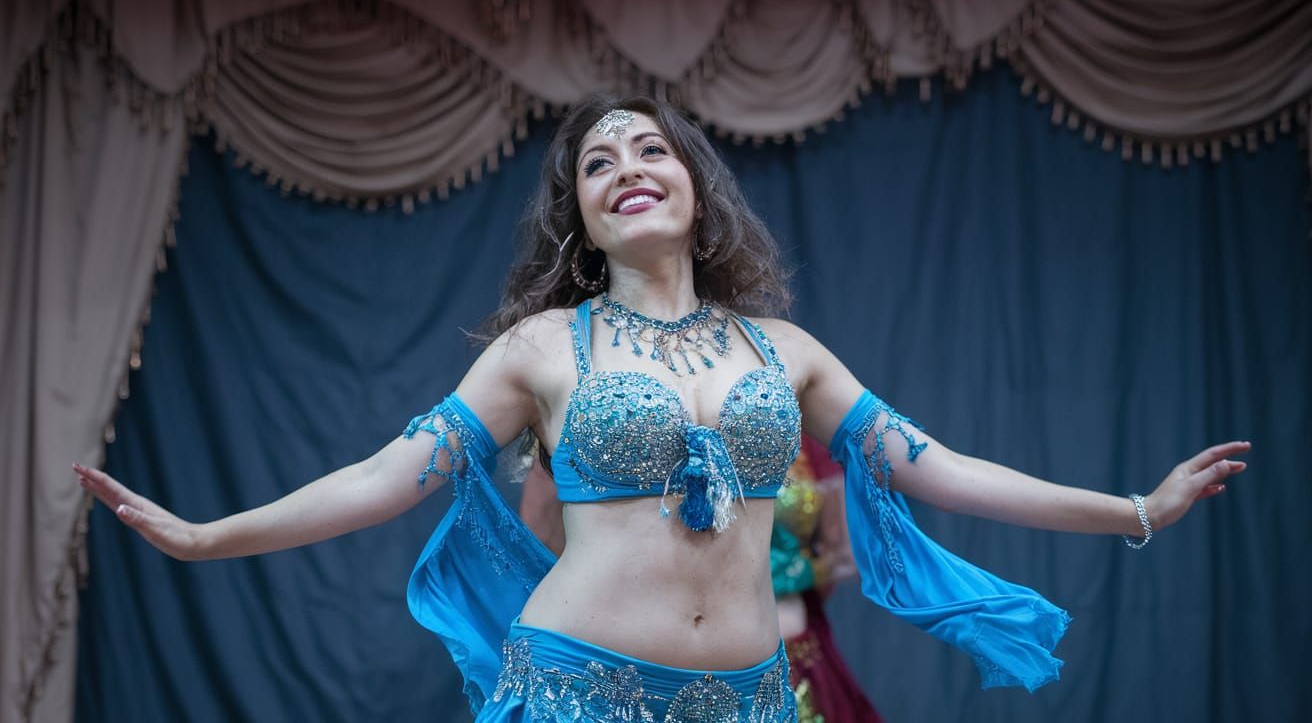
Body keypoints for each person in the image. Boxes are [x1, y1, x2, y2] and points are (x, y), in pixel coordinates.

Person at [75, 95, 1248, 721]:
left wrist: (1132, 507)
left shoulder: (783, 351)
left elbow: (938, 466)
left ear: (693, 187)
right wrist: (206, 536)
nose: (627, 163)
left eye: (650, 147)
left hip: (745, 703)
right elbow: (386, 476)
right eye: (597, 161)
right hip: (578, 693)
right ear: (582, 217)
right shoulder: (541, 347)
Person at [518, 433, 883, 723]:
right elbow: (538, 533)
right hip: (631, 670)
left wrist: (772, 586)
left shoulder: (796, 428)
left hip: (780, 663)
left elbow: (837, 550)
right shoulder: (615, 421)